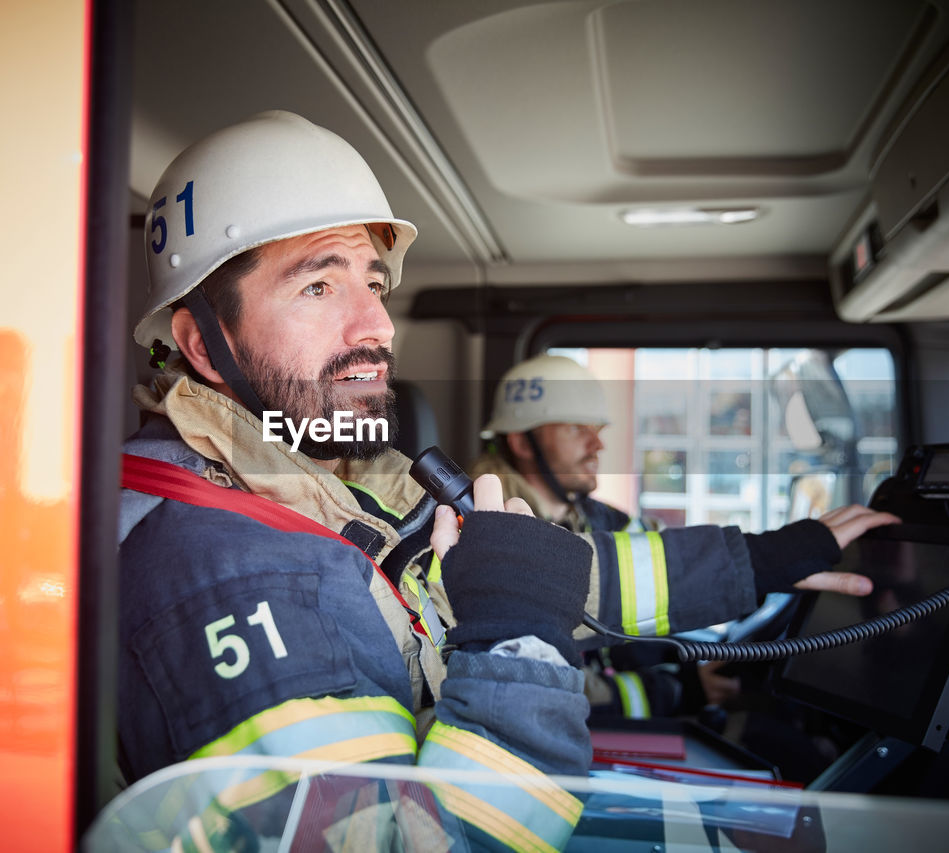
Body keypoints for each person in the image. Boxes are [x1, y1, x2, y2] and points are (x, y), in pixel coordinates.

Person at [112, 111, 896, 850]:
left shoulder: (345, 481)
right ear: (204, 347)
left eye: (374, 284)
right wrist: (516, 642)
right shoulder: (222, 565)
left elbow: (562, 572)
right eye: (319, 286)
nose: (378, 326)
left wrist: (763, 560)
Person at [468, 354, 893, 720]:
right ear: (522, 442)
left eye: (596, 427)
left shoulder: (597, 518)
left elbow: (666, 565)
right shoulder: (481, 533)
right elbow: (541, 681)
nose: (598, 443)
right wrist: (678, 690)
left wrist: (768, 567)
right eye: (576, 428)